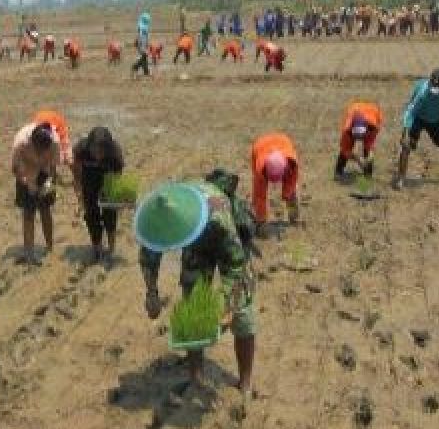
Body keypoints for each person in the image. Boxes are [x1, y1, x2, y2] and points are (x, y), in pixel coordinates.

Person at [136, 169, 259, 388]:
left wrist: (227, 304)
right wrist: (151, 291)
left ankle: (245, 382)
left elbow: (235, 265)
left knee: (242, 311)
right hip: (196, 243)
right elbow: (149, 256)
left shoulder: (218, 217)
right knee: (192, 306)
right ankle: (196, 376)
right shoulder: (158, 218)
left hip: (224, 239)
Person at [394, 67, 439, 190]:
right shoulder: (422, 90)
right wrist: (405, 132)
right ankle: (401, 179)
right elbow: (411, 111)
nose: (434, 89)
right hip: (418, 117)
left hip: (436, 119)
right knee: (407, 145)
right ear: (430, 80)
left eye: (438, 87)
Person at [71, 127, 125, 264]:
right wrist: (79, 191)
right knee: (91, 215)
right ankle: (97, 248)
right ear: (89, 145)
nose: (97, 154)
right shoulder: (81, 149)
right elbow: (76, 170)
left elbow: (118, 175)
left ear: (108, 148)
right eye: (94, 149)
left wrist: (114, 194)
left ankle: (111, 249)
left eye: (101, 151)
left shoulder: (115, 154)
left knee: (110, 215)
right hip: (88, 179)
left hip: (108, 179)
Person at [12, 121, 60, 263]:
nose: (39, 153)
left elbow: (53, 169)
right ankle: (29, 251)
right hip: (26, 172)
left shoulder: (55, 142)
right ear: (32, 142)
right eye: (37, 149)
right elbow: (15, 169)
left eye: (43, 150)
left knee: (45, 210)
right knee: (28, 213)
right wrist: (27, 183)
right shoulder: (20, 143)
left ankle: (49, 246)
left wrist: (48, 184)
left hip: (44, 172)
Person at [250, 133, 300, 233]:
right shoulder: (260, 168)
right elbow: (259, 196)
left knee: (291, 191)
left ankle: (294, 216)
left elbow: (291, 182)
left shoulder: (291, 163)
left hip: (282, 142)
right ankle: (260, 222)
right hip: (260, 146)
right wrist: (262, 220)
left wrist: (287, 194)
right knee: (259, 192)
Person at [335, 101, 382, 179]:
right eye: (356, 136)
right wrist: (358, 159)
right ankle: (338, 172)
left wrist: (369, 157)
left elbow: (370, 147)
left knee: (368, 151)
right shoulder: (347, 129)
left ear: (366, 129)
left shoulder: (373, 127)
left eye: (361, 135)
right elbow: (345, 150)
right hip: (355, 109)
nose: (359, 138)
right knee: (345, 148)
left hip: (373, 112)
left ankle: (367, 176)